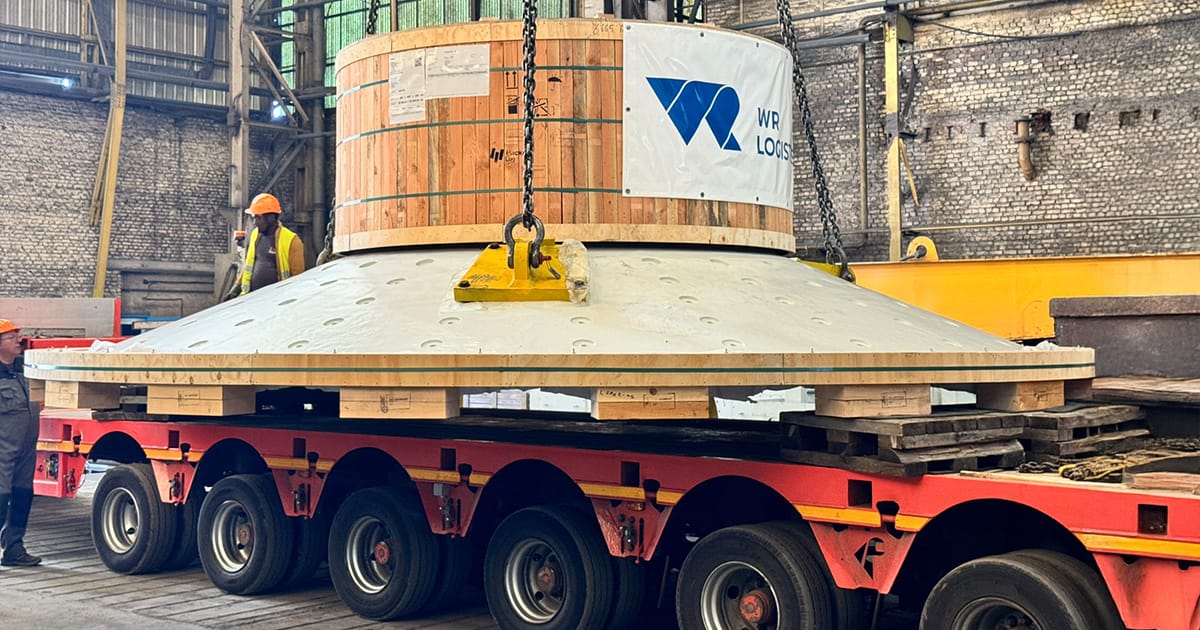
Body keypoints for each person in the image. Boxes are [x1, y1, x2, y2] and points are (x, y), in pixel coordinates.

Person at [0, 319, 41, 567]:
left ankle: (14, 548)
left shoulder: (23, 371)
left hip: (26, 453)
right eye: (11, 336)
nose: (18, 340)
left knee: (23, 495)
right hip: (2, 454)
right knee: (0, 499)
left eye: (18, 335)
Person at [240, 192, 305, 295]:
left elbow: (297, 278)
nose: (255, 222)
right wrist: (236, 288)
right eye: (254, 217)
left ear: (271, 218)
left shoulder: (292, 240)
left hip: (277, 301)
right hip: (252, 300)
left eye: (258, 218)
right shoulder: (255, 235)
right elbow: (249, 265)